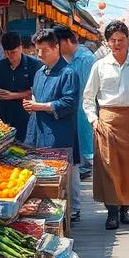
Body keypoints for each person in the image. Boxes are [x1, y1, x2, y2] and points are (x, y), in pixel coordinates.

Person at [83, 21, 129, 229]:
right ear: (107, 42)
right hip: (107, 120)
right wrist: (94, 120)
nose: (117, 44)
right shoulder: (99, 66)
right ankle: (111, 212)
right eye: (113, 41)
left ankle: (126, 208)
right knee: (108, 167)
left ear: (128, 40)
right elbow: (88, 97)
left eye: (121, 40)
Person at [23, 29, 83, 223]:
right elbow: (37, 97)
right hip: (39, 128)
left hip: (60, 131)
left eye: (44, 51)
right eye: (37, 51)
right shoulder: (40, 72)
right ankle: (51, 209)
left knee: (66, 172)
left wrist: (41, 106)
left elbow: (69, 103)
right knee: (45, 172)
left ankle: (73, 209)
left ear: (56, 47)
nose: (39, 55)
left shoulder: (68, 73)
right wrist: (33, 105)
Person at [54, 24, 96, 180]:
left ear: (66, 41)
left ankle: (85, 166)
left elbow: (88, 91)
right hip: (70, 109)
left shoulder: (86, 59)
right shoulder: (65, 59)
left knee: (84, 138)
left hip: (82, 110)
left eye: (57, 44)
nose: (56, 48)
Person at [0, 31, 40, 136]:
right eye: (6, 53)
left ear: (20, 48)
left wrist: (13, 96)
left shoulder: (34, 65)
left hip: (26, 118)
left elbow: (37, 92)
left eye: (13, 52)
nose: (10, 56)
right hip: (3, 119)